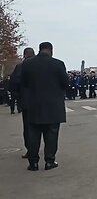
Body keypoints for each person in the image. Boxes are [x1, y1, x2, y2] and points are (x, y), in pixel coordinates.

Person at [21, 42, 68, 171]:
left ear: (39, 50)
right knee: (51, 134)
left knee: (33, 135)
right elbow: (65, 83)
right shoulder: (58, 64)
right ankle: (49, 161)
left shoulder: (28, 64)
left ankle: (33, 163)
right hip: (53, 106)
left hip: (34, 104)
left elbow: (23, 82)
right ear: (51, 50)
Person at [9, 47, 36, 158]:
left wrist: (16, 98)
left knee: (29, 128)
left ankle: (31, 150)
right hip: (41, 102)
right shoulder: (40, 65)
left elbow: (13, 84)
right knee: (43, 127)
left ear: (25, 55)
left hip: (26, 102)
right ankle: (47, 151)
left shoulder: (21, 67)